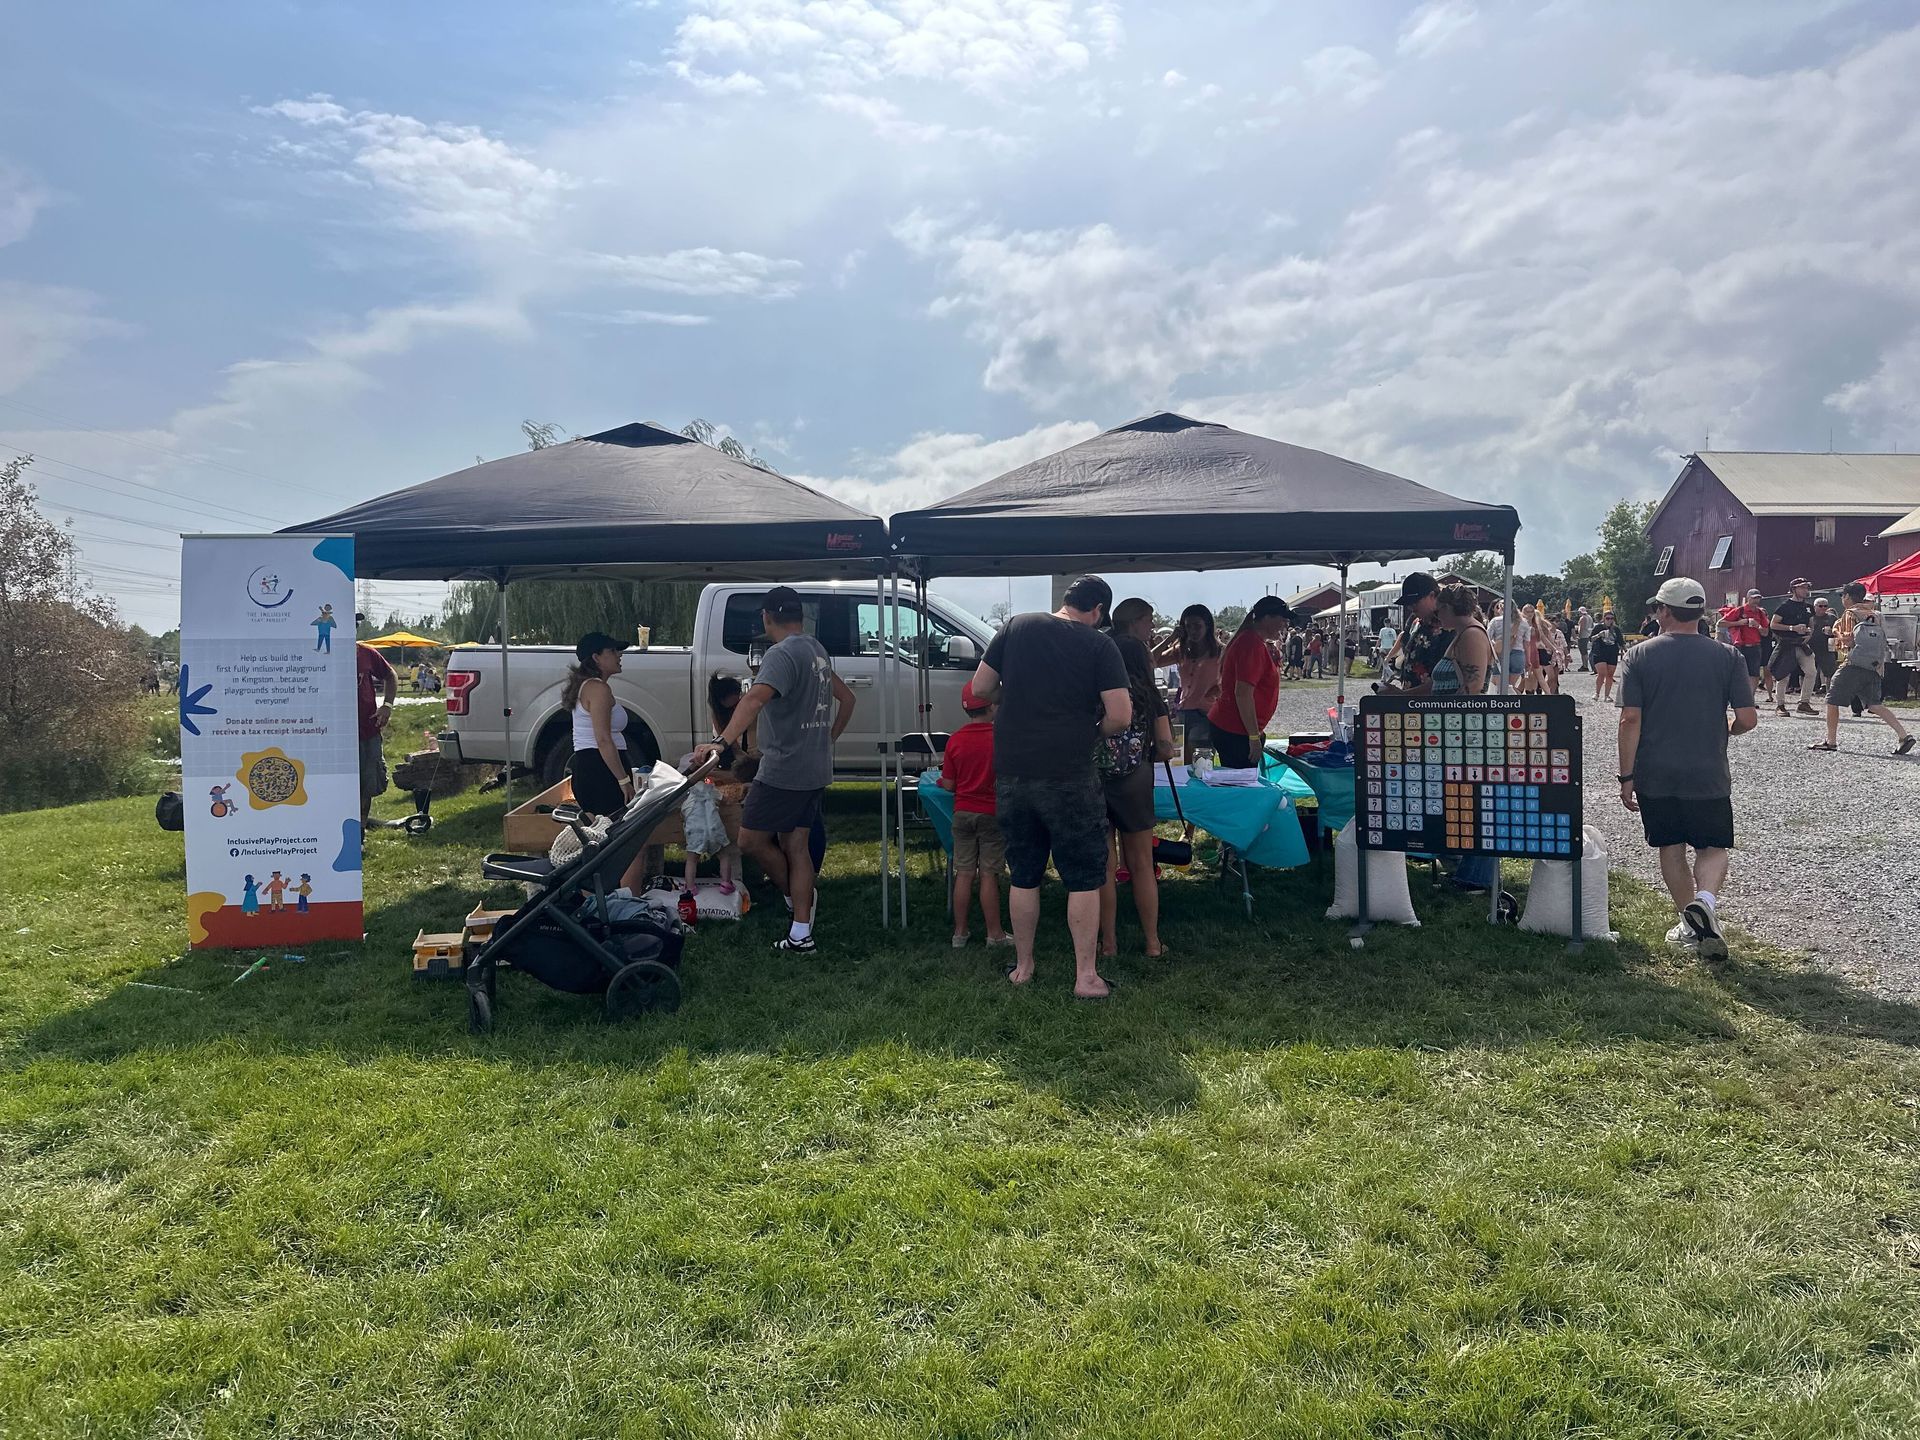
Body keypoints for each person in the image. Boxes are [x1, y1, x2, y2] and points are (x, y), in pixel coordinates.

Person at [968, 575, 1131, 999]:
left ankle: (1023, 966)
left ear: (1066, 600)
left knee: (1024, 873)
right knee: (1082, 876)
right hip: (1070, 773)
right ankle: (1085, 977)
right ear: (1097, 611)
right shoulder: (1099, 645)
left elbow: (981, 688)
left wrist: (1019, 699)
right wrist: (1090, 730)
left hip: (1014, 770)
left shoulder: (1016, 626)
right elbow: (1121, 715)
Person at [697, 588, 856, 953]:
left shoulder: (780, 654)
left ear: (766, 617)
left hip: (783, 769)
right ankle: (801, 928)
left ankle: (796, 899)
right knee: (794, 845)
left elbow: (753, 699)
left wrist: (720, 742)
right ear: (801, 616)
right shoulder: (816, 649)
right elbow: (848, 698)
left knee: (750, 840)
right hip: (815, 768)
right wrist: (826, 740)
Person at [1616, 577, 1758, 961]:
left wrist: (1626, 775)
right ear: (1699, 612)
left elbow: (1630, 719)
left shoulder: (1638, 655)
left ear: (1663, 611)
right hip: (1707, 768)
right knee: (1713, 846)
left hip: (1656, 770)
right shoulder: (1728, 656)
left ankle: (1688, 921)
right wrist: (1729, 730)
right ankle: (1706, 903)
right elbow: (1747, 717)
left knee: (1671, 846)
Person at [1101, 598, 1176, 960]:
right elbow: (1165, 747)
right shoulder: (1150, 695)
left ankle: (1109, 944)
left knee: (1104, 865)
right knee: (1141, 864)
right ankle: (1151, 942)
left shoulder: (1098, 695)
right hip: (1135, 779)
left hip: (1097, 780)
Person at [562, 631, 653, 893]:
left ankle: (601, 897)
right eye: (613, 651)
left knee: (602, 840)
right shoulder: (598, 688)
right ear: (596, 657)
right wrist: (623, 779)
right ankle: (628, 904)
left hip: (592, 767)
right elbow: (603, 740)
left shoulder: (589, 687)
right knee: (631, 842)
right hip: (599, 771)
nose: (619, 655)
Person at [1427, 583, 1499, 891]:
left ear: (1450, 608)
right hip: (1454, 730)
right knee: (1461, 800)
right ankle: (1466, 870)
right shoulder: (1462, 634)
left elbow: (1472, 689)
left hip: (1465, 732)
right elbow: (1440, 684)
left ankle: (1476, 876)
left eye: (1440, 610)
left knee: (1474, 803)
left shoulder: (1471, 635)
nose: (1437, 616)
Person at [938, 681, 1011, 950]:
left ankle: (960, 932)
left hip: (962, 813)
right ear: (992, 706)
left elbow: (949, 784)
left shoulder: (955, 740)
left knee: (964, 872)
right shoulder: (1001, 738)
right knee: (989, 874)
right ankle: (995, 934)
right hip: (992, 814)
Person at [1810, 582, 1915, 756]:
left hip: (1852, 664)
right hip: (1874, 665)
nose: (1843, 599)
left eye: (1843, 596)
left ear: (1848, 597)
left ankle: (1831, 741)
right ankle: (1903, 735)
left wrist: (1835, 633)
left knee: (1832, 700)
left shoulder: (1849, 614)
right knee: (1874, 704)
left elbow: (1848, 641)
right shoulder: (1876, 614)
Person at [1208, 595, 1291, 769]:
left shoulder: (1253, 641)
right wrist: (1253, 737)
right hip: (1236, 731)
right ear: (1267, 618)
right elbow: (1243, 693)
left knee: (1240, 783)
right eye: (1282, 619)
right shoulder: (1250, 643)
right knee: (1242, 787)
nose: (1285, 624)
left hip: (1235, 729)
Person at [1156, 603, 1222, 766]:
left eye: (1197, 626)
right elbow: (1151, 661)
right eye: (1188, 627)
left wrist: (1218, 689)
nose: (1193, 631)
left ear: (1207, 626)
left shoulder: (1221, 651)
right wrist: (1170, 638)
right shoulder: (1181, 650)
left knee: (1199, 759)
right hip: (1183, 711)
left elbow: (1232, 680)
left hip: (1206, 713)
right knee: (1179, 759)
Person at [356, 632, 397, 827]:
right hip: (333, 734)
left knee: (367, 784)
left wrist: (387, 705)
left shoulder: (366, 652)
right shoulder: (321, 651)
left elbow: (390, 674)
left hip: (367, 729)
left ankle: (360, 831)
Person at [1767, 578, 1819, 716]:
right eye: (1802, 587)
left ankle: (1804, 703)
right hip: (1786, 644)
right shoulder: (1784, 606)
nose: (1805, 590)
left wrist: (1809, 635)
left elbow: (1811, 624)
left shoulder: (1808, 607)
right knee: (1783, 675)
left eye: (1807, 587)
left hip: (1802, 644)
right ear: (1794, 589)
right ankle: (1780, 705)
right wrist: (1792, 628)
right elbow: (1773, 624)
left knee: (1811, 672)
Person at [1588, 608, 1624, 703]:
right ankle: (1597, 693)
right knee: (1602, 673)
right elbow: (1591, 639)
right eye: (1608, 618)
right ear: (1604, 618)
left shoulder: (1616, 629)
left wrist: (1626, 651)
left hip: (1612, 652)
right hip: (1599, 652)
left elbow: (1621, 642)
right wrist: (1599, 635)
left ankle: (1607, 695)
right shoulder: (1598, 627)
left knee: (1610, 674)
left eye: (1612, 618)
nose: (1610, 620)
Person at [1810, 596, 1837, 696]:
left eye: (1825, 606)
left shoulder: (1832, 618)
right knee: (1806, 672)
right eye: (1820, 606)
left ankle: (1829, 694)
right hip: (1810, 648)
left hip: (1826, 648)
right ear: (1815, 606)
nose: (1823, 608)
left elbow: (1838, 632)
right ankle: (1805, 694)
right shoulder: (1810, 617)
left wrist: (1832, 632)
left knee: (1829, 672)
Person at [1574, 606, 1593, 672]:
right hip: (1587, 635)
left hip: (1582, 636)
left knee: (1583, 652)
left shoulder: (1583, 618)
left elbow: (1581, 628)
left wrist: (1578, 636)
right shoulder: (1589, 617)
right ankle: (1585, 665)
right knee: (1585, 652)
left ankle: (1585, 665)